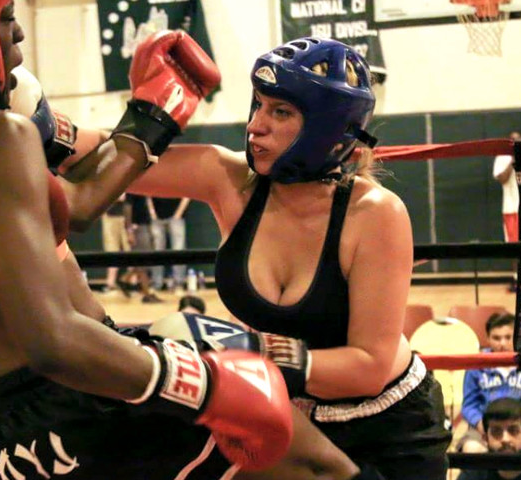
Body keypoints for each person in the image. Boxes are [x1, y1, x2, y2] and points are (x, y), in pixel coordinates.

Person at [0, 2, 372, 479]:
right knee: (320, 467)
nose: (17, 35)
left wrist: (151, 115)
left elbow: (74, 205)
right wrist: (205, 384)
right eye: (6, 17)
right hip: (84, 390)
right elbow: (53, 340)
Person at [130, 37, 451, 480]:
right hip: (285, 416)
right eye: (258, 105)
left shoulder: (374, 213)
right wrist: (150, 114)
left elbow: (368, 368)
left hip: (387, 431)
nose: (254, 126)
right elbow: (77, 157)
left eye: (280, 112)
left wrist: (250, 351)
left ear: (326, 128)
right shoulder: (230, 181)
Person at [459, 313, 521, 453]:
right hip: (483, 428)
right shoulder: (476, 366)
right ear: (488, 339)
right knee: (472, 449)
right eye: (496, 338)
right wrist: (482, 426)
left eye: (508, 337)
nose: (502, 343)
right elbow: (469, 405)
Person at [457, 398, 521, 480]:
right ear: (485, 438)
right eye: (496, 432)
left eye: (513, 431)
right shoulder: (473, 472)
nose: (505, 439)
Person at [493, 131, 521, 291]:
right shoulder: (502, 157)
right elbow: (503, 179)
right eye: (513, 140)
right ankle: (517, 280)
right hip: (511, 208)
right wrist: (513, 160)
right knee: (515, 247)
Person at [148, 196, 191, 292]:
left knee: (178, 251)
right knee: (157, 252)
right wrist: (152, 213)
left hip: (177, 217)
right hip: (157, 217)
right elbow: (148, 195)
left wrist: (178, 214)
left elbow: (187, 195)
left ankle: (178, 283)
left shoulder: (181, 180)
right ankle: (156, 283)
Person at [100, 194, 131, 295]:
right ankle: (110, 283)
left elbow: (124, 197)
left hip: (126, 218)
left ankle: (132, 283)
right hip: (110, 217)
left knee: (130, 249)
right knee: (111, 250)